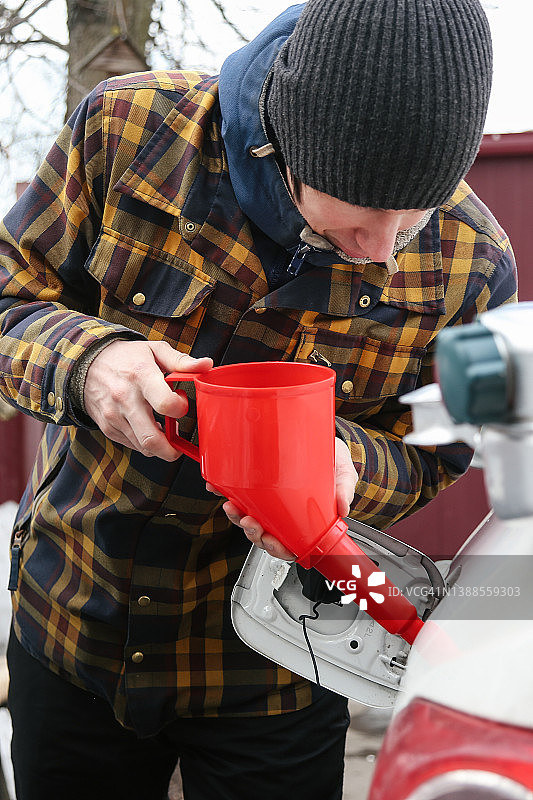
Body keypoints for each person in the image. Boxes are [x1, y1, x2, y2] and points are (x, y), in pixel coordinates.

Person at [0, 0, 517, 798]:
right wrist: (87, 362)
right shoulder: (130, 131)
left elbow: (434, 448)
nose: (384, 248)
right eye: (363, 211)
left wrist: (350, 467)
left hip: (282, 665)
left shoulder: (472, 262)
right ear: (286, 144)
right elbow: (9, 303)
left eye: (418, 212)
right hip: (73, 621)